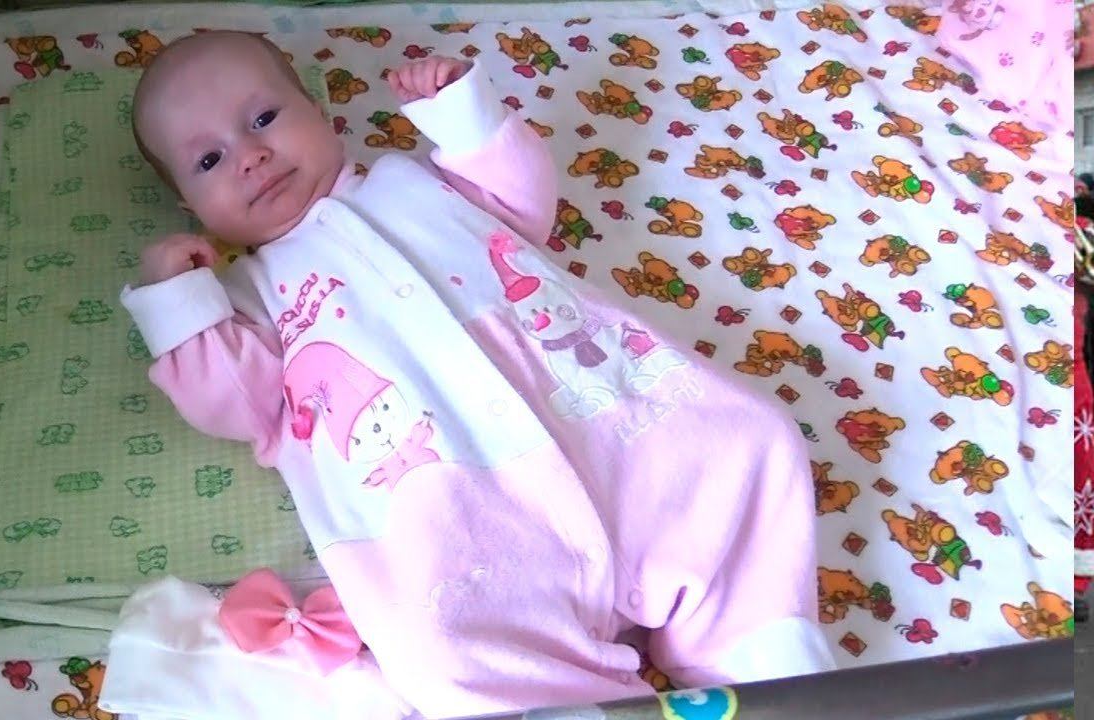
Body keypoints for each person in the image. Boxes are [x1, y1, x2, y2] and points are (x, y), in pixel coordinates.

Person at [120, 30, 833, 718]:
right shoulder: (247, 298)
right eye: (209, 160)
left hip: (614, 428)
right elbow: (230, 403)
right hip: (470, 529)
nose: (250, 156)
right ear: (189, 207)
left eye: (263, 119)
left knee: (744, 444)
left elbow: (521, 204)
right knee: (442, 648)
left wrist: (461, 117)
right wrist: (177, 304)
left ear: (318, 109)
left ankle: (768, 663)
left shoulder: (415, 180)